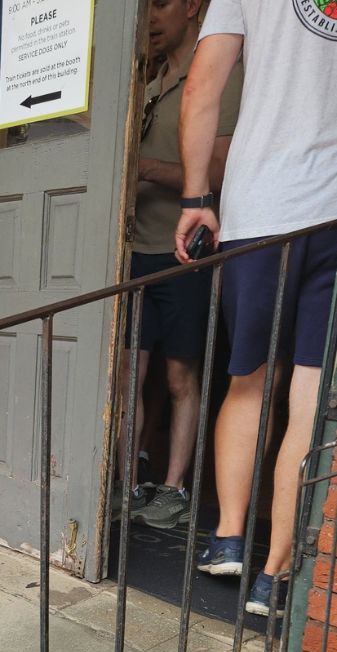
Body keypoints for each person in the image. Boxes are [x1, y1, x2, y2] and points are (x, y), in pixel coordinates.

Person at [176, 0, 337, 614]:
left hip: (262, 210)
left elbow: (202, 87)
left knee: (247, 384)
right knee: (309, 400)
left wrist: (196, 195)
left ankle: (228, 540)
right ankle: (275, 573)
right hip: (331, 213)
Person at [114, 0, 242, 529]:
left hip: (187, 249)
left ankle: (174, 488)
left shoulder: (221, 74)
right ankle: (125, 482)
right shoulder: (146, 84)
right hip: (135, 249)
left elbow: (216, 168)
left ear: (193, 7)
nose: (150, 19)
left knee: (179, 377)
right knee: (128, 376)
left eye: (161, 4)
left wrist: (139, 166)